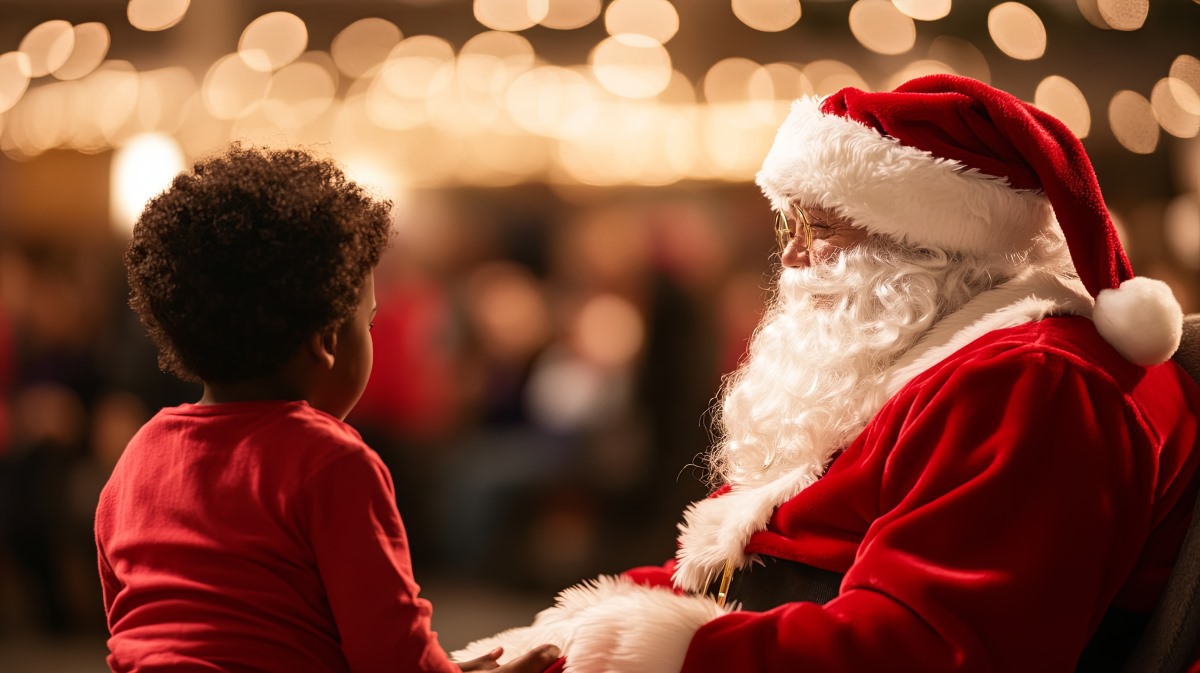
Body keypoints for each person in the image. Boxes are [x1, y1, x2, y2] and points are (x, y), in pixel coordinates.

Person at [452, 75, 1200, 672]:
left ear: (929, 243)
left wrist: (672, 650)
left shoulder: (1034, 383)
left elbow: (938, 650)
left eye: (823, 229)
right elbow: (761, 557)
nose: (792, 259)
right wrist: (571, 629)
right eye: (789, 226)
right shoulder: (913, 358)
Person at [94, 145, 559, 673]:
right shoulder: (329, 461)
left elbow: (135, 626)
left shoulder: (138, 458)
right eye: (370, 320)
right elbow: (391, 656)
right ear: (328, 342)